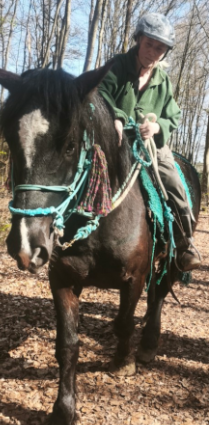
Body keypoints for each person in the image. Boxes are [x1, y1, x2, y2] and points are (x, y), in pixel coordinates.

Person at [98, 12, 201, 271]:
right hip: (115, 140)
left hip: (151, 146)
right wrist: (117, 117)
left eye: (160, 48)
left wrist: (157, 126)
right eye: (149, 44)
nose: (153, 52)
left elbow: (173, 115)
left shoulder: (163, 80)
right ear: (138, 40)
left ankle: (184, 242)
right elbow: (100, 93)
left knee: (175, 182)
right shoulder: (116, 66)